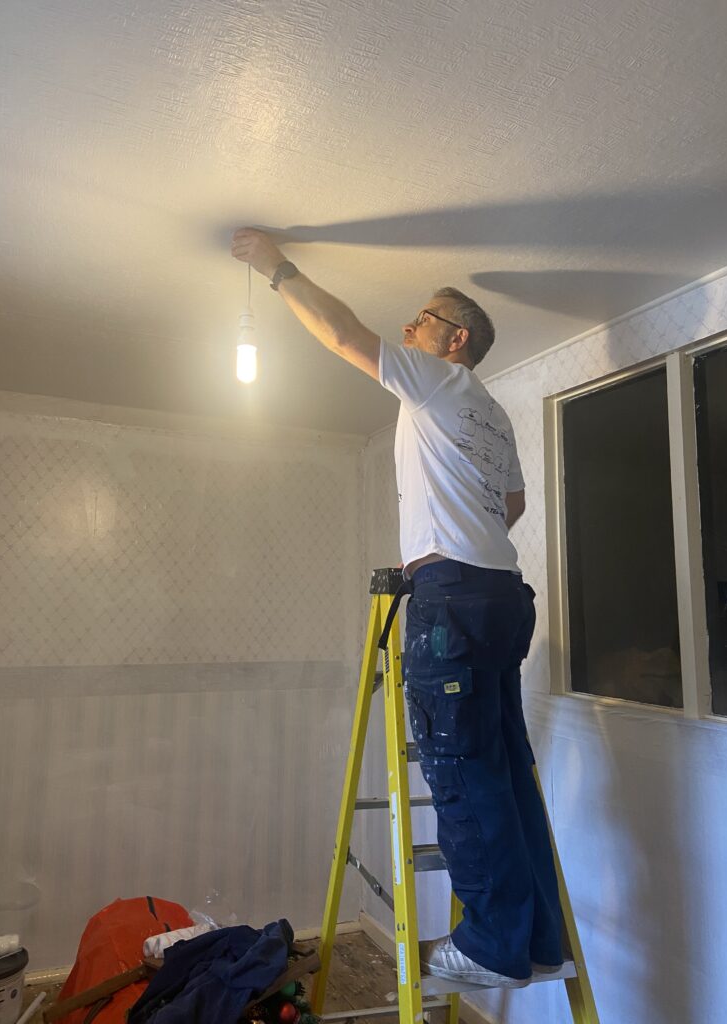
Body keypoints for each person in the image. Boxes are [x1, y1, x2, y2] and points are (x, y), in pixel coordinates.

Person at [231, 228, 563, 988]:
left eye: (423, 318)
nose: (410, 326)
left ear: (456, 340)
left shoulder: (438, 381)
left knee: (459, 770)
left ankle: (489, 947)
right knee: (504, 770)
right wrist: (468, 538)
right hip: (504, 595)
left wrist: (276, 269)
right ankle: (536, 937)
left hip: (454, 595)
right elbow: (510, 503)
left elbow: (344, 335)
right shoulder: (493, 413)